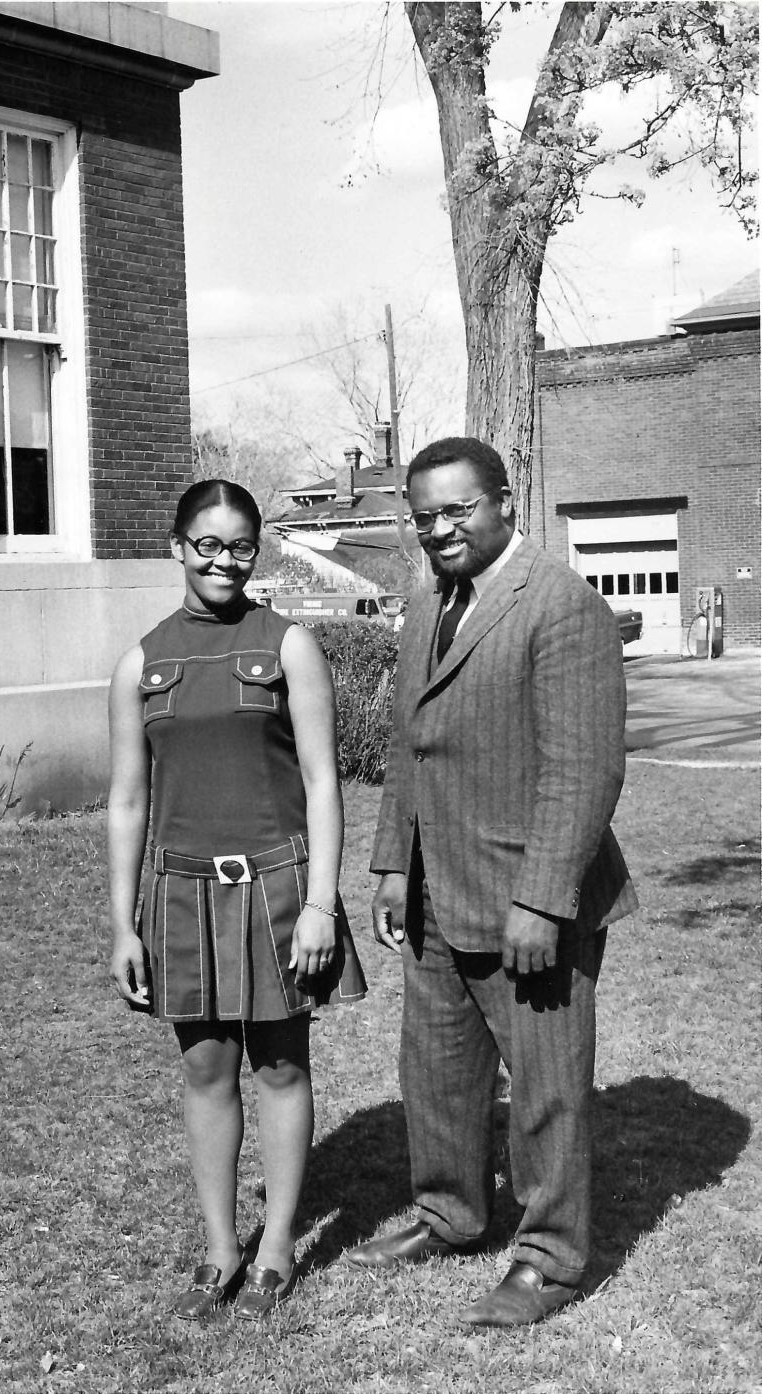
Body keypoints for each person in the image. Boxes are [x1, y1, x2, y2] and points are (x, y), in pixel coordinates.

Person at [344, 438, 637, 1327]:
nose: (439, 530)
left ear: (504, 502)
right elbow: (412, 742)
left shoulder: (560, 605)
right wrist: (396, 863)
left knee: (546, 1085)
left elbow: (582, 772)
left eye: (457, 510)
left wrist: (544, 899)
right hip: (437, 889)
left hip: (527, 902)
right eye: (424, 515)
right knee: (435, 1071)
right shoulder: (431, 599)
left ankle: (551, 1259)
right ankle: (450, 1213)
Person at [108, 479, 366, 1321]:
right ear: (177, 546)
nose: (224, 561)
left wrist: (323, 902)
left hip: (279, 889)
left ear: (257, 551)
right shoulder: (140, 662)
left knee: (283, 1063)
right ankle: (222, 1248)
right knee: (205, 1067)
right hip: (180, 893)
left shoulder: (287, 646)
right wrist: (122, 924)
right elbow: (127, 802)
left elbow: (326, 781)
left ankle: (279, 1245)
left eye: (241, 546)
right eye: (207, 544)